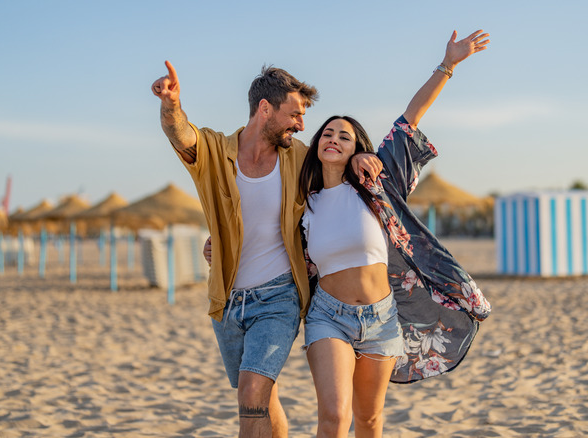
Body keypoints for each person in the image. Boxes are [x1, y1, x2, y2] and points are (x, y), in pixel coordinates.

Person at [151, 63, 381, 437]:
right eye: (295, 115)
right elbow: (180, 134)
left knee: (252, 392)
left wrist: (356, 158)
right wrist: (171, 104)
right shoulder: (214, 151)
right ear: (264, 109)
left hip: (279, 296)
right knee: (260, 397)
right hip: (226, 300)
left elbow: (337, 161)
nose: (302, 125)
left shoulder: (300, 157)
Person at [298, 30, 493, 437]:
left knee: (369, 420)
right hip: (328, 318)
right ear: (317, 144)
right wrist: (220, 246)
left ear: (357, 148)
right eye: (328, 133)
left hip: (382, 319)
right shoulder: (302, 203)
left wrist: (448, 65)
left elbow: (411, 118)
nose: (334, 139)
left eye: (345, 136)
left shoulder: (377, 184)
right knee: (334, 416)